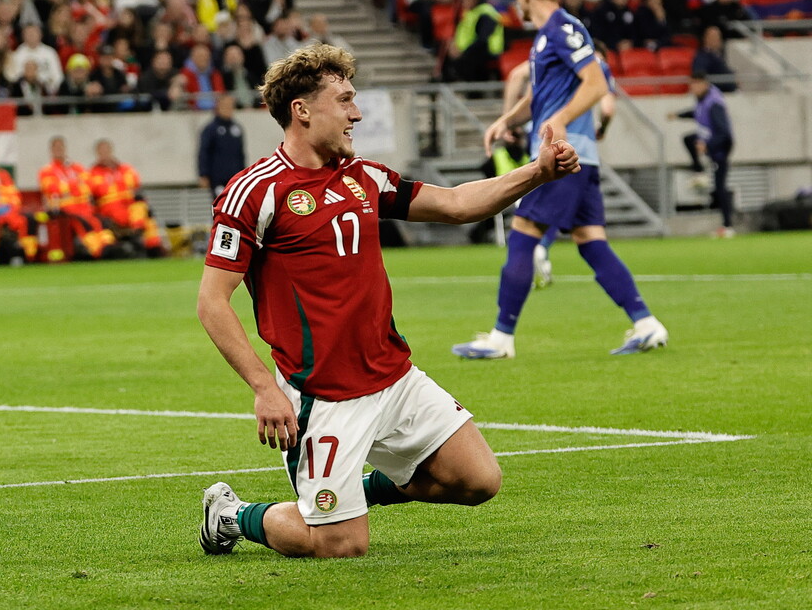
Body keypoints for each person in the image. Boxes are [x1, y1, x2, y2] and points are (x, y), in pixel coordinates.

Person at [195, 44, 580, 558]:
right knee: (340, 546)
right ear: (302, 110)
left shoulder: (363, 175)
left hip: (393, 378)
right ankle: (232, 517)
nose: (356, 113)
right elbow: (212, 302)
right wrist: (264, 387)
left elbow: (456, 203)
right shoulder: (256, 191)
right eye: (345, 100)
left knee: (479, 480)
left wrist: (536, 173)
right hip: (322, 395)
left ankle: (352, 493)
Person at [452, 0, 668, 360]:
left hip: (563, 157)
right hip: (579, 157)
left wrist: (562, 119)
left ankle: (501, 337)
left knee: (522, 235)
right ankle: (647, 324)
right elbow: (539, 97)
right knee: (591, 241)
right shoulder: (546, 37)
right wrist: (506, 120)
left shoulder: (562, 28)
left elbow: (597, 81)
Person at [669, 72, 735, 237]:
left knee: (720, 187)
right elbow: (696, 113)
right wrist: (678, 115)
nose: (692, 88)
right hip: (710, 144)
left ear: (704, 84)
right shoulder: (703, 101)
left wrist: (707, 145)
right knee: (689, 139)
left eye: (695, 85)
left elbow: (724, 132)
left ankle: (728, 226)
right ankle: (699, 171)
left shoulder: (715, 104)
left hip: (720, 149)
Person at [38, 136, 116, 258]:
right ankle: (98, 251)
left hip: (85, 208)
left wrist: (68, 188)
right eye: (56, 147)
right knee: (84, 225)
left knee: (100, 222)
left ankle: (109, 246)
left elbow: (88, 185)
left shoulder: (76, 167)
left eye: (61, 146)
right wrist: (75, 186)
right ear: (51, 150)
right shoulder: (47, 171)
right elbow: (53, 189)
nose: (59, 150)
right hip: (65, 211)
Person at [87, 139, 163, 255]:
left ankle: (153, 249)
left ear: (111, 150)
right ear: (97, 153)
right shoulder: (91, 174)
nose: (104, 154)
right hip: (109, 213)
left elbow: (138, 192)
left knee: (144, 212)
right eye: (101, 151)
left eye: (106, 150)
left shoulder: (127, 170)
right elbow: (89, 199)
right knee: (101, 229)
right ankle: (115, 251)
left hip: (130, 210)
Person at [197, 93, 246, 199]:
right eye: (226, 106)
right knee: (221, 206)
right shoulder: (211, 129)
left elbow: (241, 154)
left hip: (235, 179)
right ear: (218, 107)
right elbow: (204, 152)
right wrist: (203, 174)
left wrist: (244, 175)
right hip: (217, 179)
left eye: (231, 106)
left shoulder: (236, 128)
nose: (229, 109)